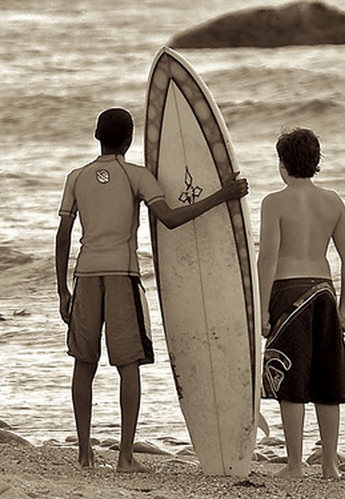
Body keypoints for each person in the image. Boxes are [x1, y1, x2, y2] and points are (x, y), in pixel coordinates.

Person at [55, 108, 248, 472]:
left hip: (85, 276)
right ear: (129, 139)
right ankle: (126, 457)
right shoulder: (138, 177)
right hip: (122, 276)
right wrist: (223, 194)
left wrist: (62, 290)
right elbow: (171, 219)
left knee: (84, 364)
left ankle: (84, 454)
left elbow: (63, 234)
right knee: (128, 366)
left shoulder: (76, 177)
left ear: (97, 135)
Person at [257, 127, 345, 479]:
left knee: (292, 379)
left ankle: (296, 465)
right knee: (327, 379)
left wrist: (262, 310)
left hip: (288, 294)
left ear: (282, 163)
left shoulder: (274, 202)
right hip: (324, 293)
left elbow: (267, 260)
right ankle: (330, 465)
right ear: (315, 162)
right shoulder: (332, 201)